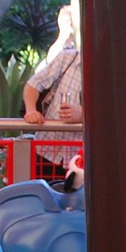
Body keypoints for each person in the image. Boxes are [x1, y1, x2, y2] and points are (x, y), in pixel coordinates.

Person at [22, 9, 83, 183]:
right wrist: (31, 111)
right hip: (47, 149)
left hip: (80, 157)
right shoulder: (67, 58)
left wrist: (83, 115)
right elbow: (33, 84)